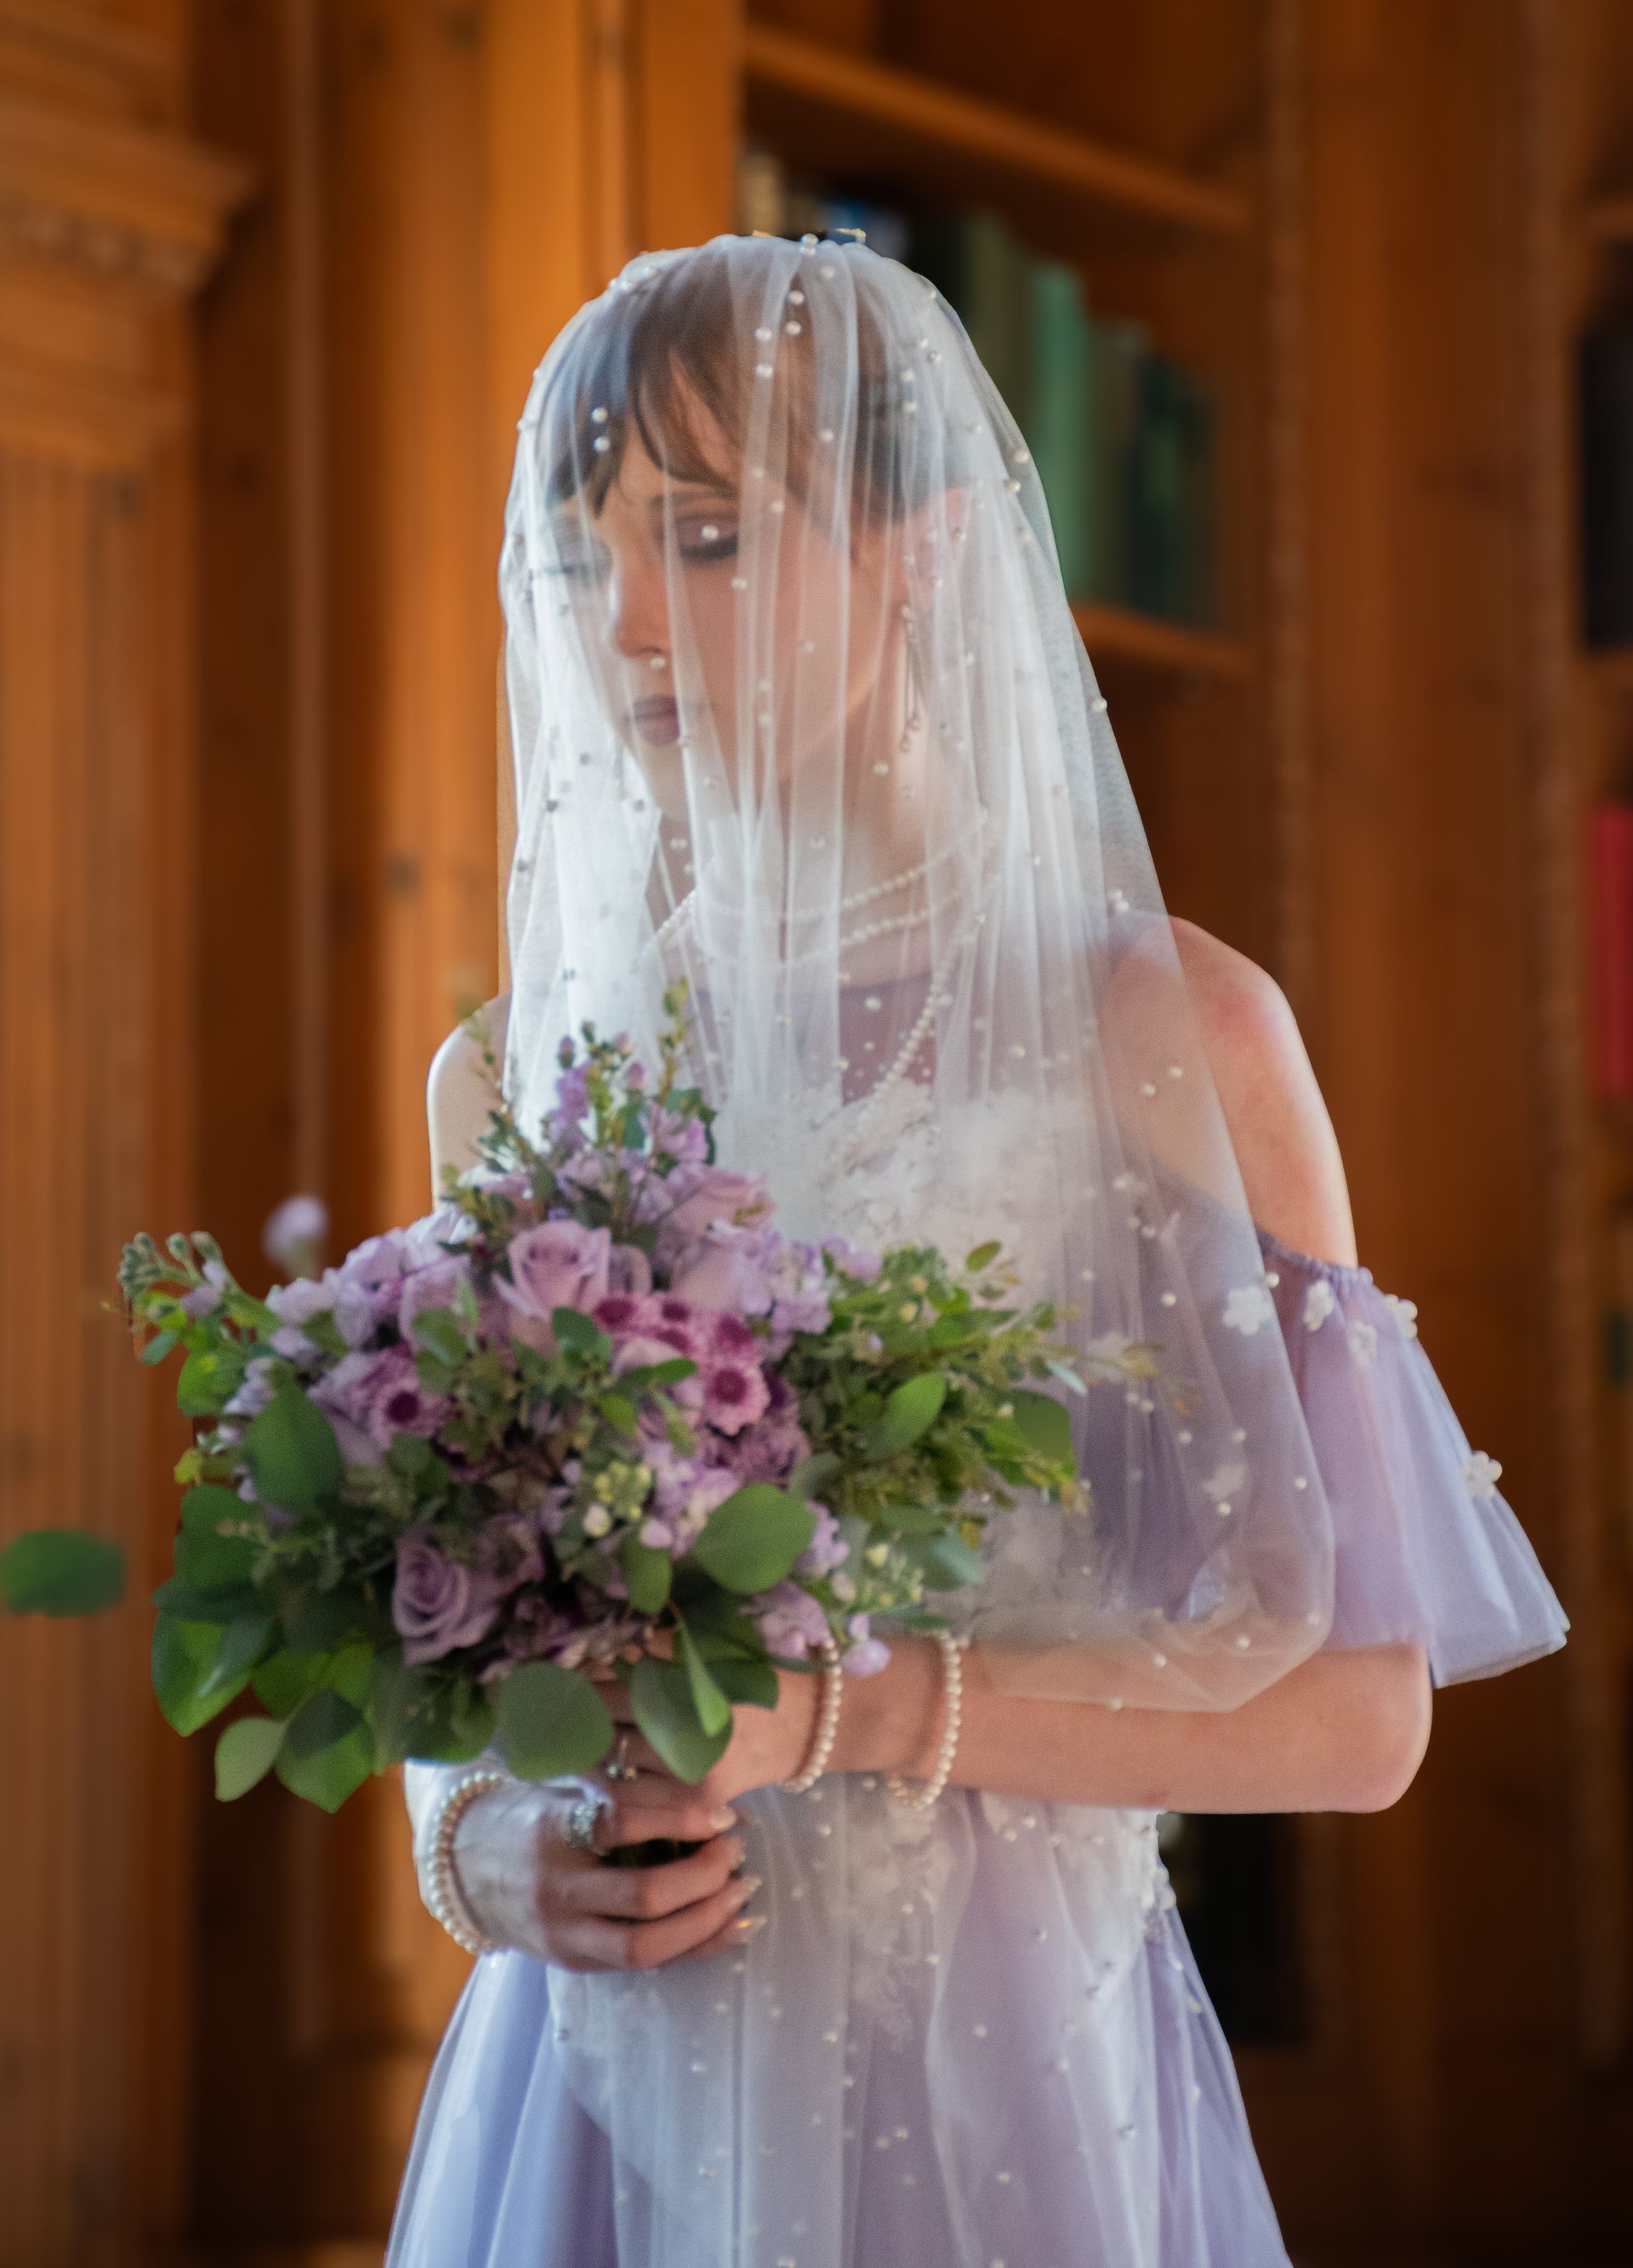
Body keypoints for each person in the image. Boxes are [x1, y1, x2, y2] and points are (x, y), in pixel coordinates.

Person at [385, 234, 1566, 2267]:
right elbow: (463, 1693)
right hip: (595, 2085)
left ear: (923, 547)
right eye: (584, 561)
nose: (630, 624)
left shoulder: (1167, 1032)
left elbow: (1363, 1717)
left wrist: (856, 1712)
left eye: (711, 536)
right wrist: (498, 1851)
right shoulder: (512, 1083)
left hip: (1008, 2074)